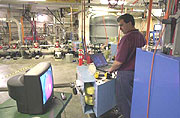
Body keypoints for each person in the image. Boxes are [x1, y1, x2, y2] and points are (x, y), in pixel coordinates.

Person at [108, 14, 145, 118]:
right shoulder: (141, 36)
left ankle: (126, 115)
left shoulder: (126, 38)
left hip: (125, 75)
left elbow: (119, 62)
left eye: (122, 25)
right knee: (133, 99)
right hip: (138, 73)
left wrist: (110, 70)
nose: (120, 28)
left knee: (124, 100)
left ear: (130, 23)